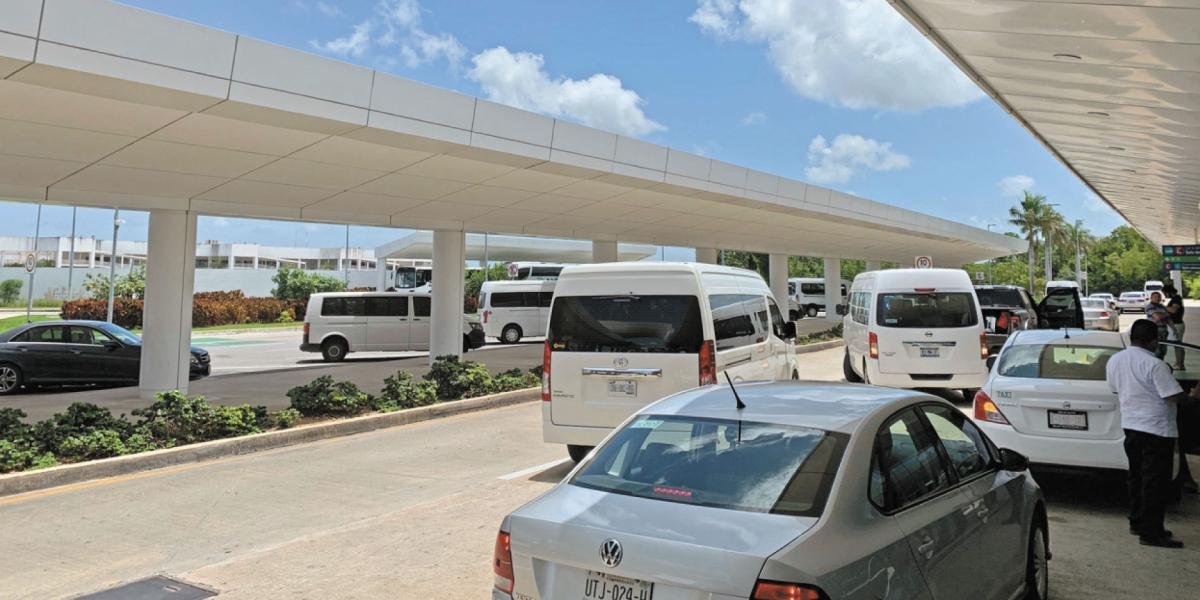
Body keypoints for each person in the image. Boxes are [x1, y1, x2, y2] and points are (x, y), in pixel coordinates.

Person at [1106, 319, 1198, 548]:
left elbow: (1115, 388)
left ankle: (1137, 521)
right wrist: (1193, 396)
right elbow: (1170, 395)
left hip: (1131, 426)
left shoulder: (1115, 360)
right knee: (1156, 482)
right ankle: (1152, 532)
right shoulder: (1155, 365)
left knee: (1136, 477)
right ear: (1153, 340)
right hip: (1156, 429)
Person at [1164, 284, 1186, 370]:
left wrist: (1163, 307)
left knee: (1177, 344)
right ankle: (1180, 363)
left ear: (1169, 292)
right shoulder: (1175, 299)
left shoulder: (1176, 299)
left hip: (1177, 324)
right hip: (1176, 324)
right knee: (1177, 344)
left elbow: (1173, 310)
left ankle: (1179, 364)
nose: (1165, 295)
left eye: (1165, 293)